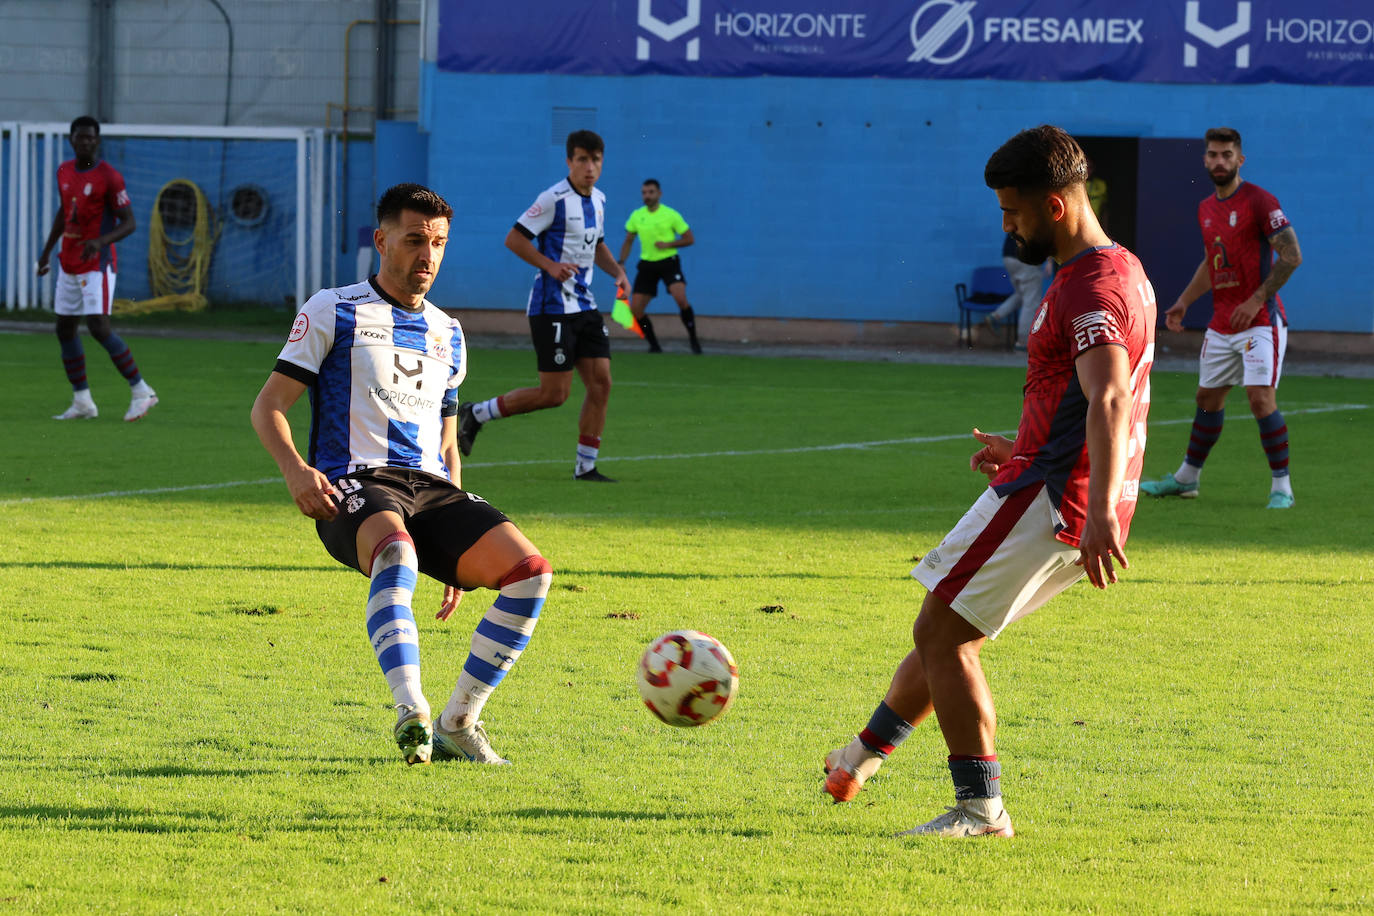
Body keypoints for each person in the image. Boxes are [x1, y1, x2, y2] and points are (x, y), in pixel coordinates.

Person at [822, 126, 1156, 838]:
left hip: (1057, 495)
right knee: (947, 627)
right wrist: (1025, 444)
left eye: (1013, 211)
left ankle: (981, 810)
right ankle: (859, 758)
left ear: (1056, 206)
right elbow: (1079, 398)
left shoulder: (1093, 284)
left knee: (942, 633)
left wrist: (1091, 508)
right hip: (1059, 480)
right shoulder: (1116, 267)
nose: (1007, 224)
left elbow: (1109, 397)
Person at [251, 183, 553, 767]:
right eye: (415, 240)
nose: (428, 255)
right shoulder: (332, 308)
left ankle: (460, 720)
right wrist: (295, 472)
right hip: (355, 484)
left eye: (438, 242)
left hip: (434, 490)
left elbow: (445, 438)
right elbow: (268, 407)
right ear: (381, 240)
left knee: (530, 574)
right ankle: (410, 708)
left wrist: (459, 532)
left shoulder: (449, 332)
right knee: (397, 553)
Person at [1141, 127, 1302, 509]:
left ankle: (1282, 489)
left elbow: (1292, 254)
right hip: (1222, 322)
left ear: (1239, 160)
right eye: (1213, 154)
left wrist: (1257, 298)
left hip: (1260, 319)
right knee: (1207, 398)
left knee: (1260, 399)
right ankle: (1186, 479)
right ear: (1205, 160)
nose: (1219, 161)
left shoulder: (1260, 201)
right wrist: (1183, 301)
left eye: (1226, 155)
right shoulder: (1206, 208)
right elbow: (1212, 264)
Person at [457, 130, 630, 482]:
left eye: (596, 160)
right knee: (555, 394)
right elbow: (514, 238)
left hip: (585, 305)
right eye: (582, 159)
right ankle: (477, 413)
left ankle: (586, 467)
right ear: (569, 161)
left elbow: (596, 244)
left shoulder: (598, 199)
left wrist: (618, 272)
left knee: (602, 383)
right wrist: (549, 265)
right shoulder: (553, 199)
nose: (589, 167)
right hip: (551, 307)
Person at [36, 116, 158, 421]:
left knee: (98, 327)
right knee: (64, 328)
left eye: (91, 137)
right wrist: (47, 251)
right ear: (71, 139)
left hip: (97, 264)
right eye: (81, 137)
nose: (86, 141)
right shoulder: (64, 171)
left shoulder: (109, 177)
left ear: (98, 141)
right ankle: (82, 402)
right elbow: (65, 213)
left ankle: (142, 391)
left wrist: (100, 242)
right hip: (69, 261)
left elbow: (129, 222)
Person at [616, 179, 702, 354]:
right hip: (647, 265)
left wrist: (668, 245)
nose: (647, 196)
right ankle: (654, 345)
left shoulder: (671, 215)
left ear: (659, 194)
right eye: (644, 193)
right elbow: (628, 241)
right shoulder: (637, 215)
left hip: (669, 262)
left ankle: (694, 339)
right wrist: (621, 263)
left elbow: (689, 238)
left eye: (651, 192)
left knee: (680, 299)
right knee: (636, 309)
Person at [986, 233, 1048, 349]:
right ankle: (1023, 342)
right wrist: (1049, 261)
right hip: (1025, 259)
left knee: (1021, 295)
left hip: (1008, 257)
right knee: (1030, 303)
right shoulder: (1035, 215)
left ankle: (996, 315)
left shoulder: (1016, 215)